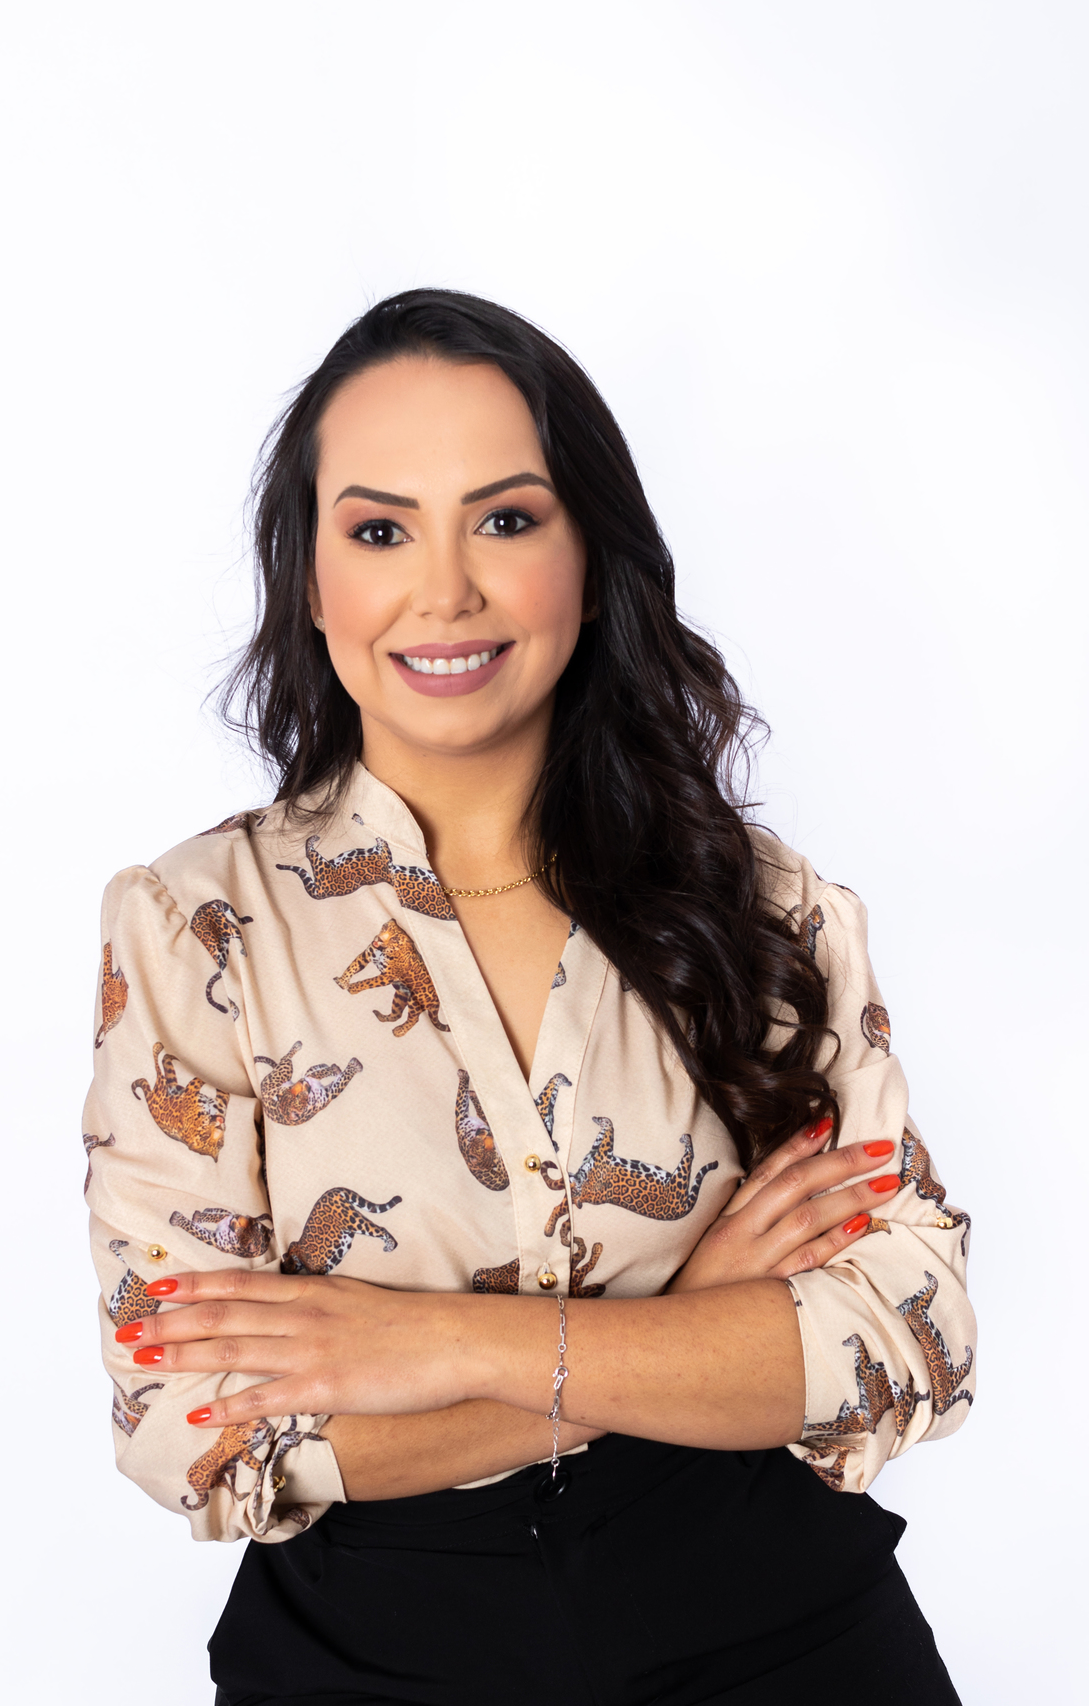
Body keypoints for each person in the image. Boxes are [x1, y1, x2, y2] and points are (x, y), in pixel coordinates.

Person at [84, 289, 973, 1706]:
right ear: (310, 582)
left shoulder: (764, 904)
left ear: (592, 560)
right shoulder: (201, 928)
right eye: (380, 532)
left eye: (505, 520)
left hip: (787, 1640)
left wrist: (435, 1346)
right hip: (370, 1663)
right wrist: (685, 1325)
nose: (445, 593)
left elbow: (908, 1334)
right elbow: (193, 1427)